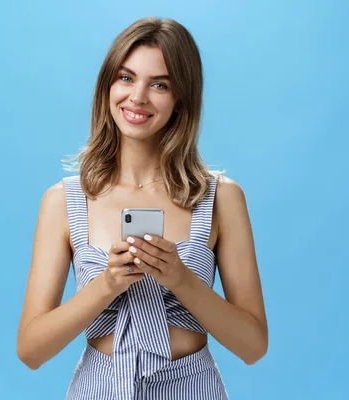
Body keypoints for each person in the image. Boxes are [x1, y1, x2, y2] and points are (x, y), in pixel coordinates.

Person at [17, 17, 268, 400]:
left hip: (191, 388)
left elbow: (253, 347)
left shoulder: (220, 198)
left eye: (160, 85)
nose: (137, 98)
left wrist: (180, 279)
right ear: (107, 86)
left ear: (181, 97)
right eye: (126, 78)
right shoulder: (64, 200)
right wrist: (106, 285)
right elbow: (31, 352)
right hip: (98, 388)